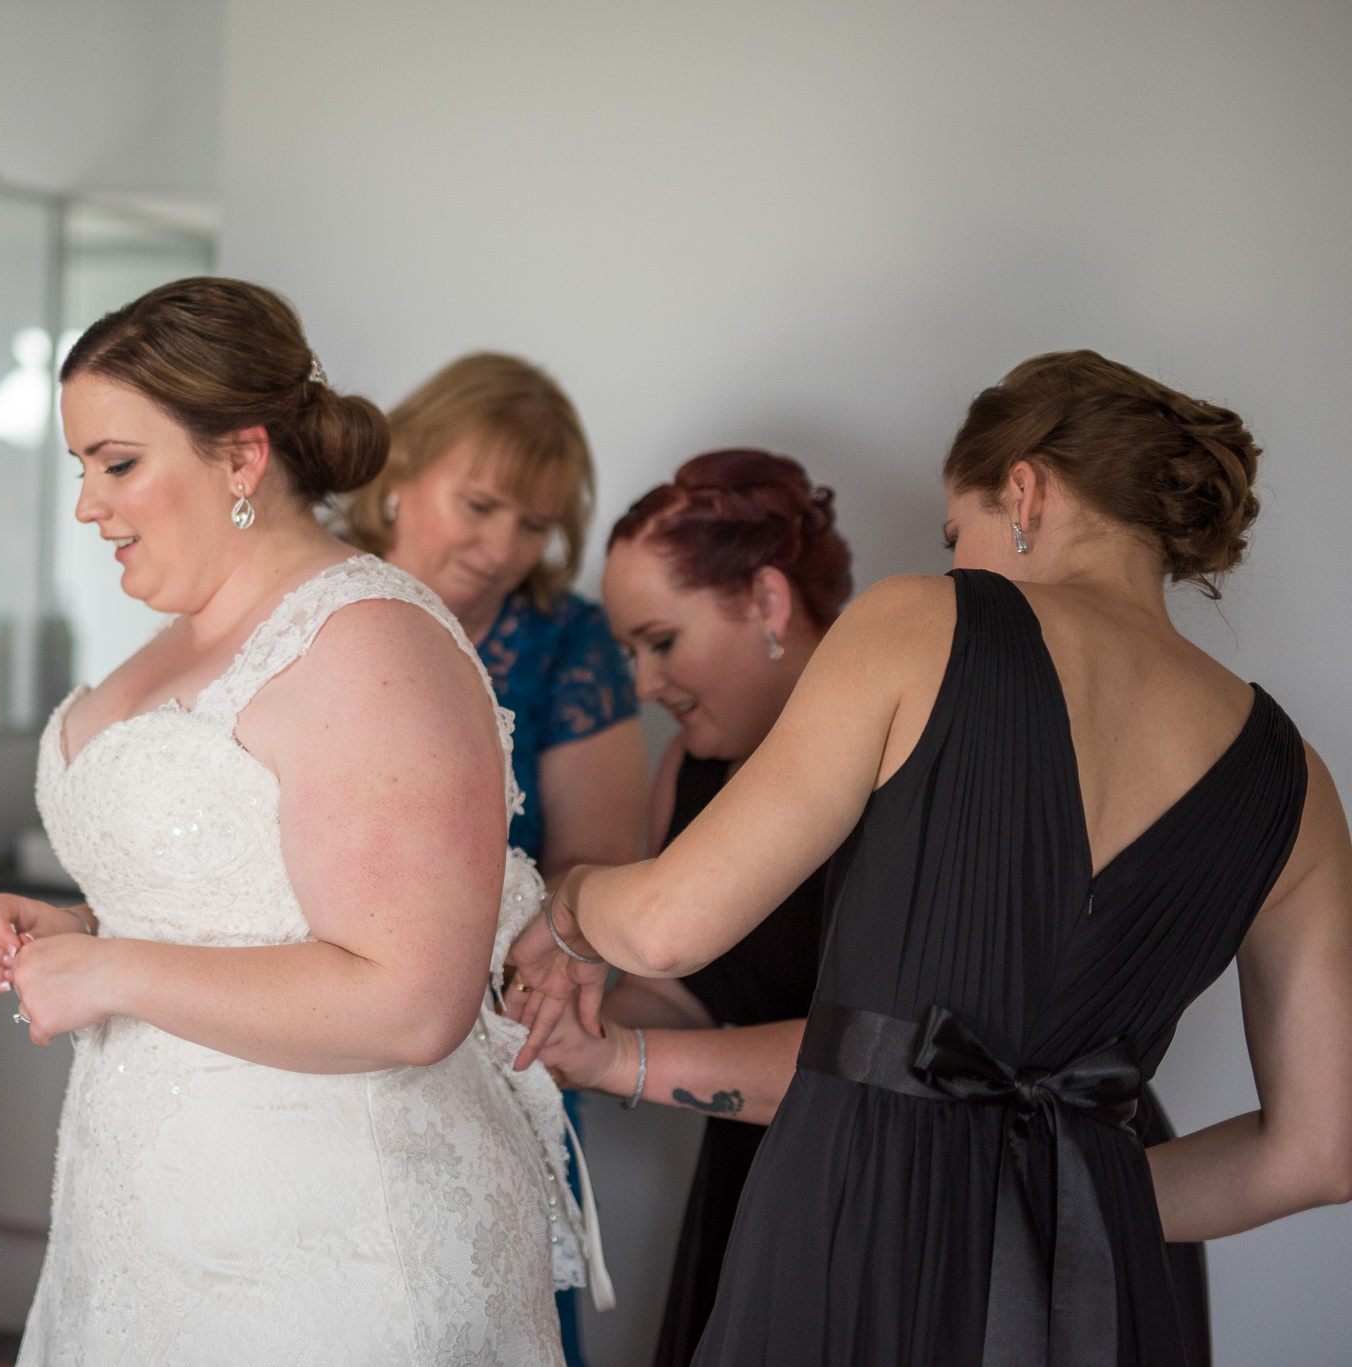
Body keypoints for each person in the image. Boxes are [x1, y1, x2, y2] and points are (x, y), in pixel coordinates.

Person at [511, 351, 1352, 1366]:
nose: (954, 561)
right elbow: (1317, 1153)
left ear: (1025, 489)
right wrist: (1080, 1201)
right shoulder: (1293, 777)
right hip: (1099, 1292)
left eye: (958, 533)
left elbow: (663, 927)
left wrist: (564, 904)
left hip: (855, 1236)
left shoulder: (925, 621)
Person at [0, 280, 599, 1367]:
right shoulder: (186, 634)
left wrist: (114, 971)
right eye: (82, 469)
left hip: (330, 1242)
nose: (88, 505)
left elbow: (409, 1002)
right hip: (146, 1228)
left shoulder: (366, 643)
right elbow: (238, 898)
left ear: (240, 458)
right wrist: (78, 924)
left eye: (116, 463)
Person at [342, 353, 644, 1365]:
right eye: (479, 504)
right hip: (304, 1007)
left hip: (490, 1023)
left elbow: (597, 861)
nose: (503, 546)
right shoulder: (304, 597)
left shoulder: (565, 640)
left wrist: (513, 972)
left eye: (533, 523)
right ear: (398, 470)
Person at [530, 451, 848, 1366]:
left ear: (768, 604)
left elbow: (883, 1049)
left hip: (881, 1187)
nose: (640, 685)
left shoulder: (910, 767)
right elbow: (683, 988)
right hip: (751, 1183)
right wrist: (559, 1021)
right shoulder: (694, 768)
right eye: (629, 651)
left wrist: (619, 1052)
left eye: (660, 642)